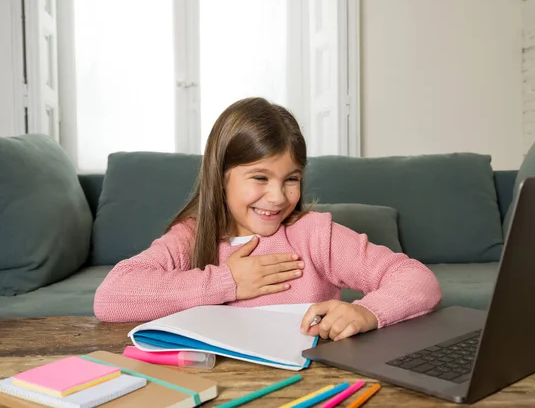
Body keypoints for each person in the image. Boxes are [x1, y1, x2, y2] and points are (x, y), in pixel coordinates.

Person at [93, 97, 442, 341]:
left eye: (291, 179)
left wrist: (367, 312)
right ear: (221, 176)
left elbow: (416, 278)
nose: (278, 197)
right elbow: (110, 297)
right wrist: (227, 282)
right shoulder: (191, 237)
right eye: (260, 178)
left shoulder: (314, 236)